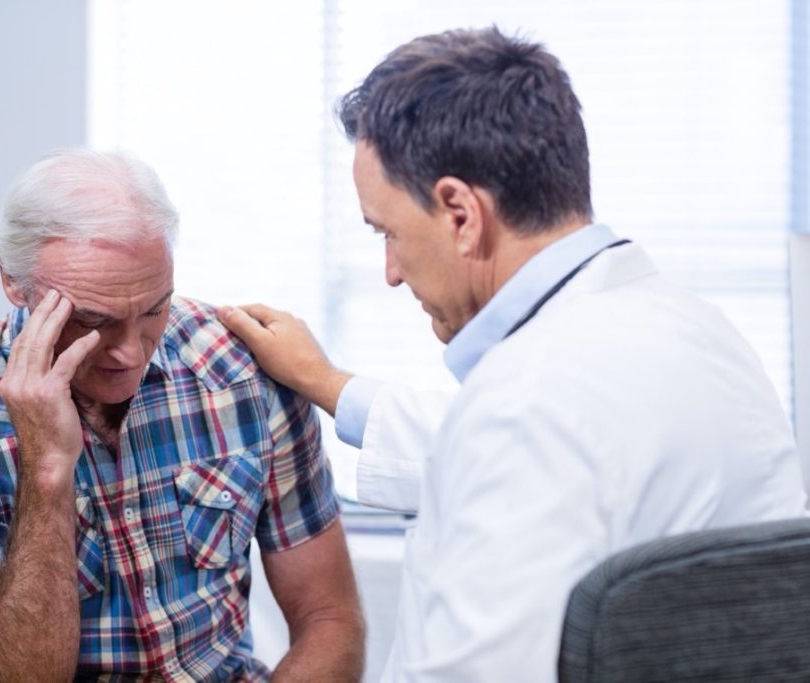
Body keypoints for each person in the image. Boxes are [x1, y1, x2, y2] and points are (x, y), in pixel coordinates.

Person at [218, 27, 808, 681]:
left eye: (388, 232)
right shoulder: (696, 333)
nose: (389, 270)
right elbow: (525, 450)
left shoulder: (526, 404)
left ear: (461, 213)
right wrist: (327, 383)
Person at [0, 149, 364, 682]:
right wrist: (47, 472)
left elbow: (330, 619)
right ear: (12, 282)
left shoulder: (243, 373)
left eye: (154, 310)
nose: (131, 354)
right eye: (93, 319)